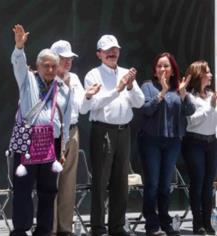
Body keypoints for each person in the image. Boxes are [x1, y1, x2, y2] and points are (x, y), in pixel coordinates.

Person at [80, 35, 145, 236]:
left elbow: (140, 102)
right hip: (103, 131)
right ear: (99, 54)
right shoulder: (93, 75)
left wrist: (131, 86)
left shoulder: (127, 74)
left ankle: (117, 226)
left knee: (120, 181)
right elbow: (94, 103)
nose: (112, 53)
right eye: (107, 50)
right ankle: (98, 228)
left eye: (115, 49)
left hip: (124, 131)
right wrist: (118, 89)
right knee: (101, 181)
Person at [10, 25, 71, 236]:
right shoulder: (27, 81)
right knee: (23, 189)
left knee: (48, 191)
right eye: (46, 66)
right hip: (27, 141)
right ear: (38, 66)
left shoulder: (64, 89)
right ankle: (21, 230)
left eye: (54, 66)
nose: (51, 70)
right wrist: (19, 47)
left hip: (50, 146)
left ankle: (44, 230)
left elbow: (66, 123)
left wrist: (62, 149)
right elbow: (18, 64)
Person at [138, 52, 195, 236]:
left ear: (172, 70)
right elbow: (145, 110)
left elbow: (190, 110)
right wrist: (161, 92)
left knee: (165, 185)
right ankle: (151, 225)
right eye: (159, 66)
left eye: (166, 66)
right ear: (155, 71)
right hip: (151, 141)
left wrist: (184, 92)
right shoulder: (147, 86)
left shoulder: (178, 88)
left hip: (172, 142)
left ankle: (165, 221)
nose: (162, 69)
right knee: (152, 183)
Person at [50, 40, 100, 236]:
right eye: (64, 58)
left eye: (70, 58)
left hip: (72, 131)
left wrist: (87, 96)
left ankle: (65, 227)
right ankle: (50, 227)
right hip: (52, 133)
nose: (68, 62)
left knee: (68, 181)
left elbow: (82, 108)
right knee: (51, 181)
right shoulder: (47, 77)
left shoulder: (75, 78)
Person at [181, 60, 217, 235]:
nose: (211, 75)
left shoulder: (212, 95)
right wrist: (210, 107)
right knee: (198, 182)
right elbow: (192, 121)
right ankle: (197, 223)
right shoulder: (189, 96)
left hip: (211, 143)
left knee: (209, 184)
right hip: (194, 142)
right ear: (199, 75)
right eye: (207, 72)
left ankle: (208, 222)